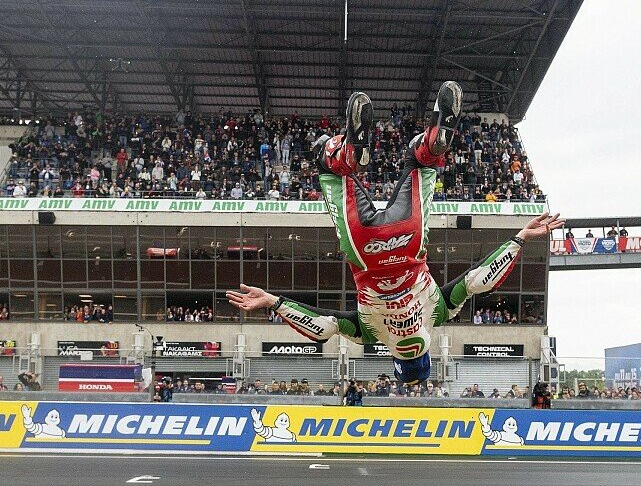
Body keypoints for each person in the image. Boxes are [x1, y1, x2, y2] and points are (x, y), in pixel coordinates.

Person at [228, 82, 564, 386]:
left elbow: (479, 280)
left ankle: (432, 144)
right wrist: (273, 302)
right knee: (326, 165)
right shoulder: (368, 336)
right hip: (364, 249)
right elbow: (324, 327)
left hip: (410, 236)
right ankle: (345, 155)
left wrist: (519, 237)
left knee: (421, 162)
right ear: (396, 361)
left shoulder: (440, 313)